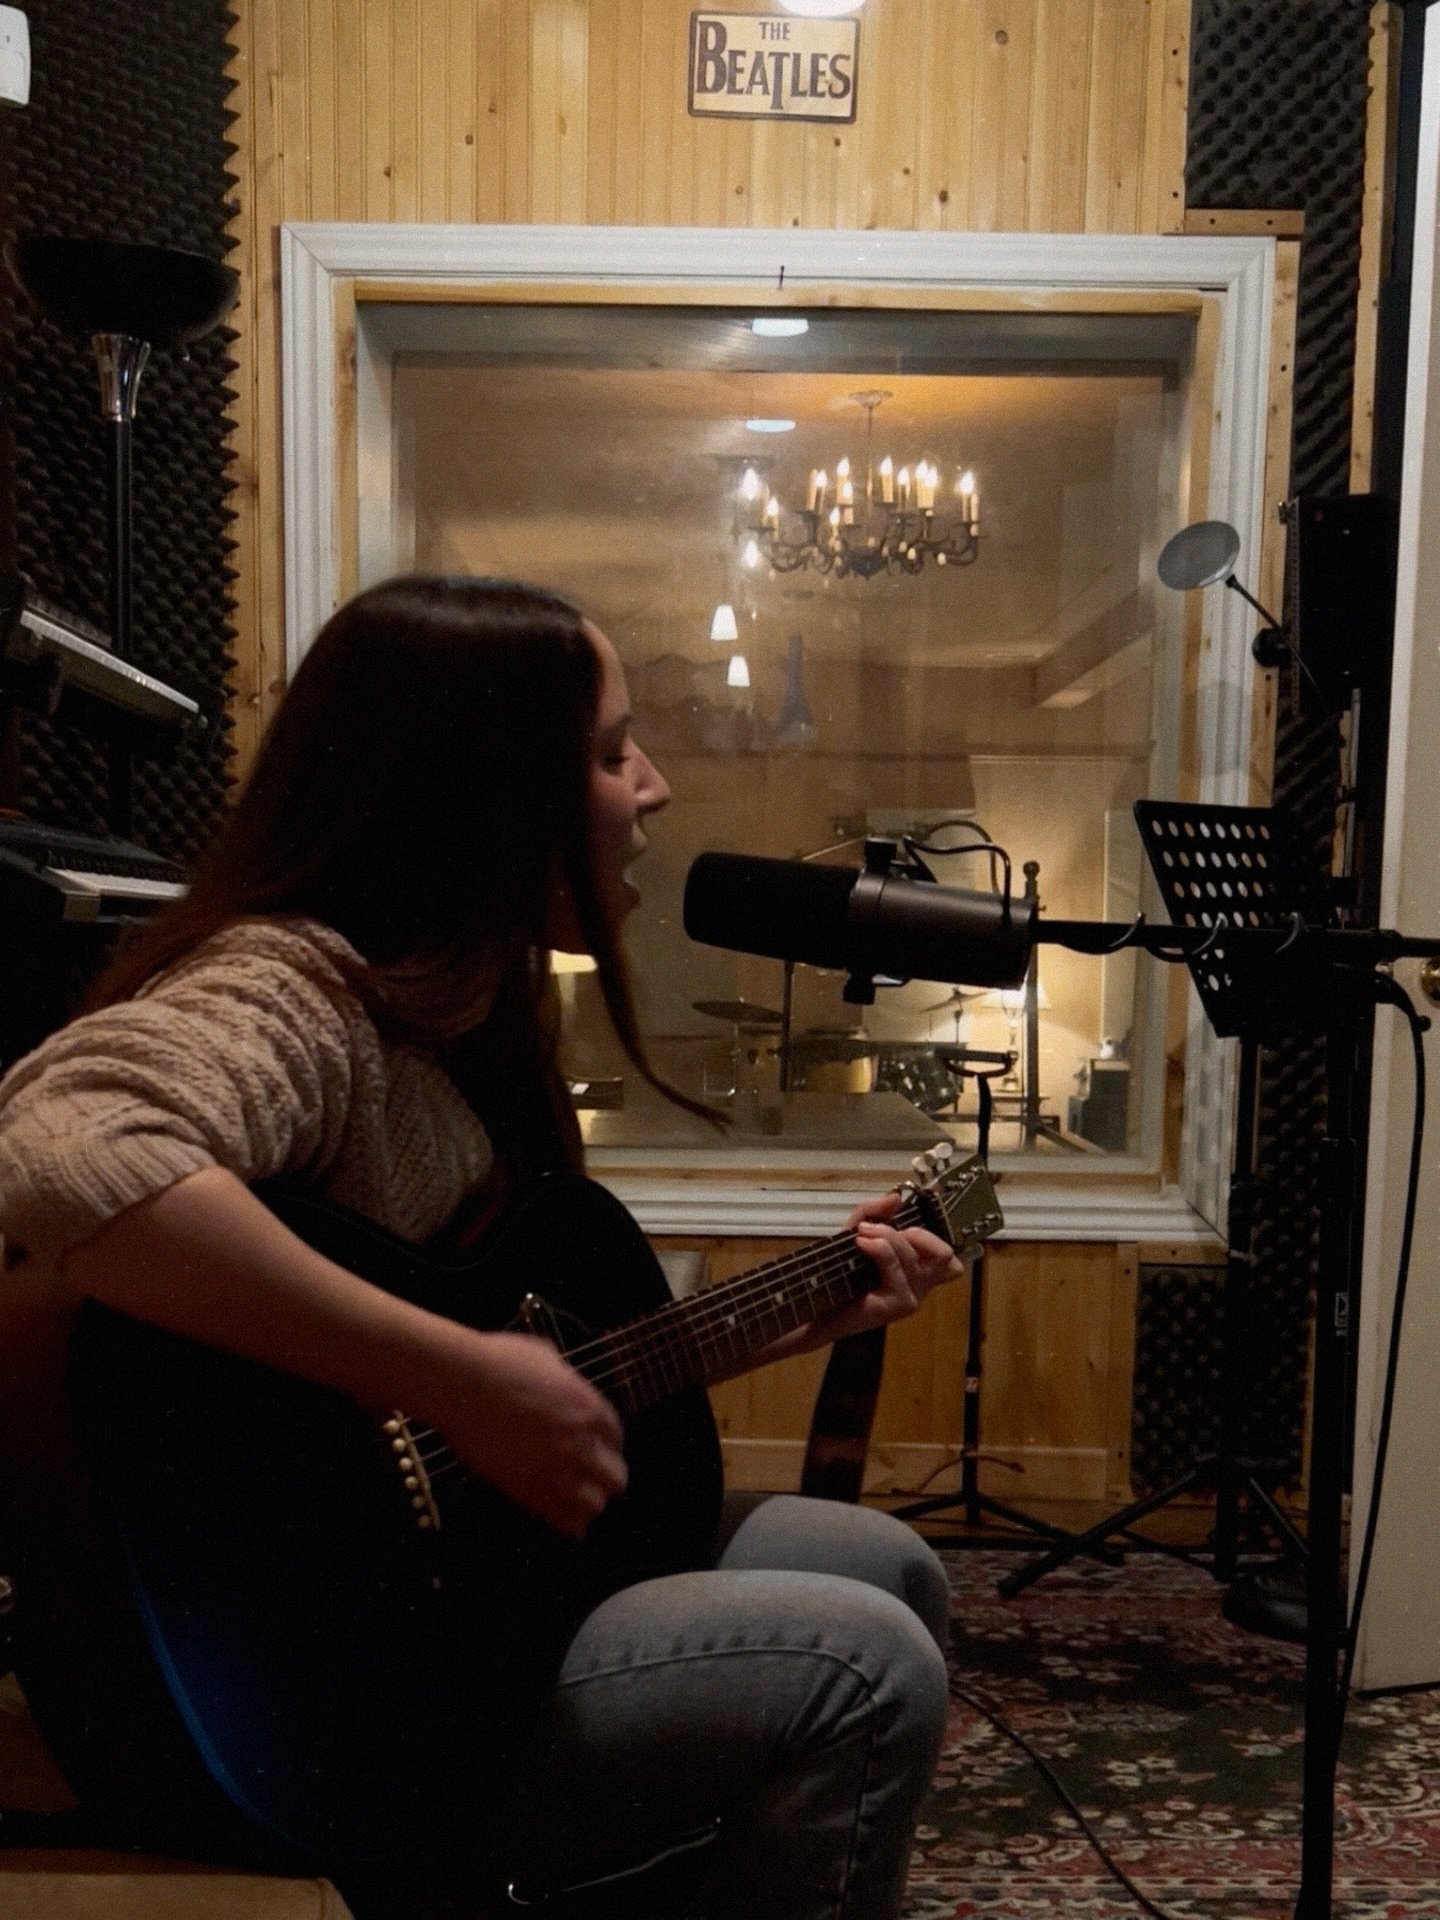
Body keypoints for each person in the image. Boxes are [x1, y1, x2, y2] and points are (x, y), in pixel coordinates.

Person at [0, 575, 957, 1919]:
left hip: (453, 1601)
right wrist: (452, 1377)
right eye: (613, 753)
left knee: (882, 1566)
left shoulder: (459, 1007)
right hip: (303, 1694)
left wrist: (806, 1314)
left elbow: (535, 1367)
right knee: (864, 1662)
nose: (656, 787)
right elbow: (64, 1149)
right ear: (482, 792)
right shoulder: (292, 991)